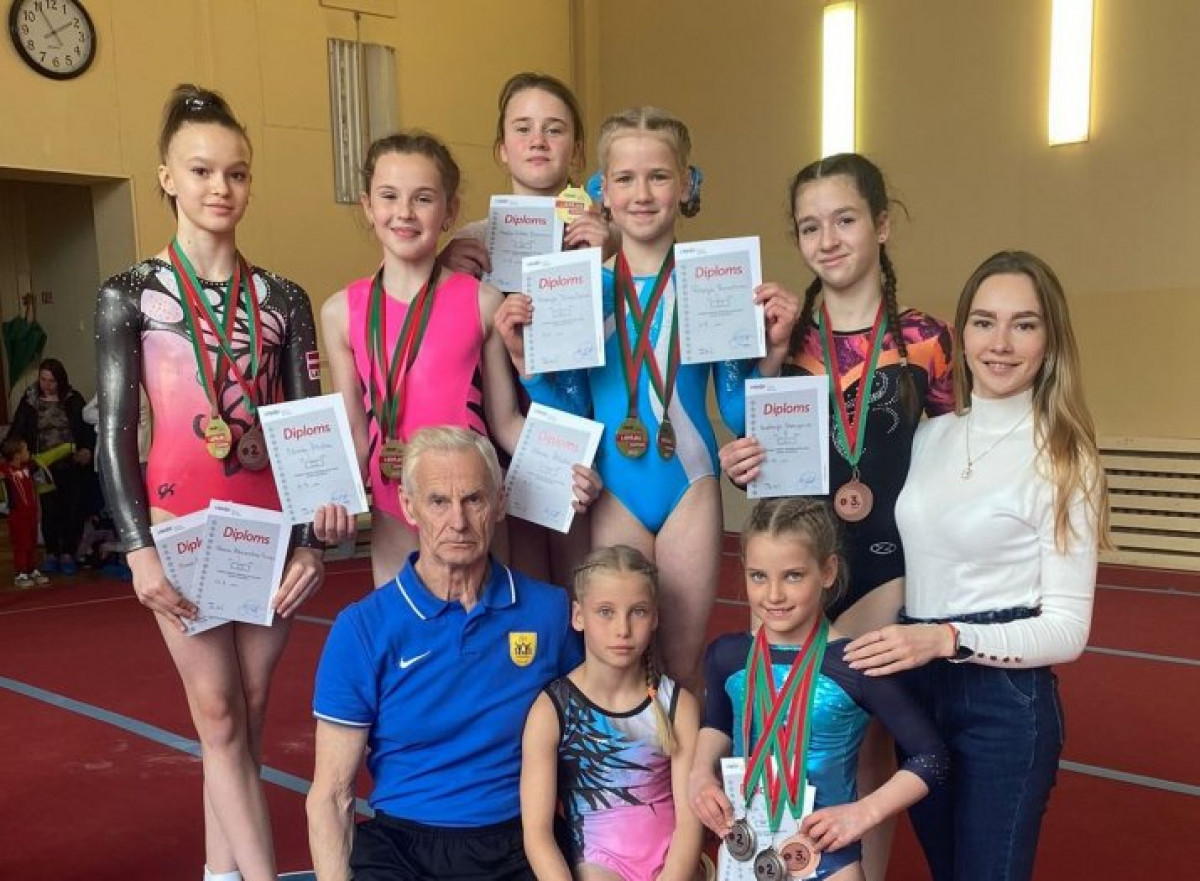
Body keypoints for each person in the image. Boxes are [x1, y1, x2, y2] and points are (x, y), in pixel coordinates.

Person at [95, 84, 327, 881]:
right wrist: (137, 549)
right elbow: (116, 434)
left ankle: (218, 871)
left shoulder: (283, 299)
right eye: (201, 171)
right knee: (219, 711)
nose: (220, 187)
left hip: (268, 526)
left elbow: (302, 430)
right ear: (167, 177)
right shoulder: (129, 295)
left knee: (247, 714)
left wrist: (309, 542)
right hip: (180, 526)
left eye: (236, 172)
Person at [495, 106, 797, 690]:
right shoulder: (580, 288)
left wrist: (772, 354)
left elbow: (735, 410)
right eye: (625, 179)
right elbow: (576, 414)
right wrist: (527, 367)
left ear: (685, 184)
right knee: (620, 669)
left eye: (659, 177)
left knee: (682, 665)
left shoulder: (713, 283)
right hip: (615, 492)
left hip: (690, 490)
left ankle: (683, 756)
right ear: (601, 192)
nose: (641, 194)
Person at [717, 153, 953, 879]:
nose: (828, 240)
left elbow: (954, 452)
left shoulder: (926, 339)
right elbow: (752, 436)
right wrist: (740, 455)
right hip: (796, 568)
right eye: (810, 226)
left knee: (870, 746)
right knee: (779, 726)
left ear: (881, 225)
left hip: (885, 567)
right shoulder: (786, 339)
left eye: (844, 220)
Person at [843, 251, 1110, 881]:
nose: (1000, 343)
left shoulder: (1065, 457)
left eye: (1024, 324)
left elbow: (1068, 631)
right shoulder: (929, 436)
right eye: (984, 322)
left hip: (1003, 704)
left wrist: (947, 639)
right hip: (918, 692)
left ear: (1050, 339)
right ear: (960, 333)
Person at [321, 130, 596, 588]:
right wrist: (330, 497)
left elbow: (505, 422)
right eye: (389, 196)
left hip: (474, 509)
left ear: (449, 211)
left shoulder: (482, 302)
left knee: (485, 630)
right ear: (368, 206)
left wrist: (567, 467)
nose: (404, 212)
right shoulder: (340, 314)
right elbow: (354, 432)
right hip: (395, 508)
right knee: (408, 630)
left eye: (423, 198)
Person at [307, 426, 583, 881]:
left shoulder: (549, 613)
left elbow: (593, 753)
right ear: (409, 506)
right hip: (403, 849)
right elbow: (331, 795)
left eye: (473, 499)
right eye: (438, 501)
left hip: (521, 842)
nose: (458, 521)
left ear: (499, 503)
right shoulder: (362, 629)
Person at [689, 498, 948, 881]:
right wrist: (699, 773)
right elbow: (719, 724)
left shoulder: (857, 664)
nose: (773, 595)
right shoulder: (727, 656)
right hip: (748, 852)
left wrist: (865, 812)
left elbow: (932, 756)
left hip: (828, 862)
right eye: (758, 576)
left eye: (793, 576)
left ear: (827, 571)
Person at [439, 71, 616, 585]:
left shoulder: (609, 239)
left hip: (589, 438)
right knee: (522, 585)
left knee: (584, 581)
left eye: (554, 129)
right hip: (501, 434)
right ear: (501, 148)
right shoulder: (471, 243)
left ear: (576, 149)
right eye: (523, 128)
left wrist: (610, 259)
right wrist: (443, 273)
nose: (538, 140)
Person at [521, 545, 705, 881]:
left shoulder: (678, 706)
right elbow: (537, 833)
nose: (623, 629)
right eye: (605, 612)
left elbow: (690, 824)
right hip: (598, 863)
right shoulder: (552, 710)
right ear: (579, 616)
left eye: (638, 612)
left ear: (655, 617)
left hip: (672, 862)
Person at [5, 357, 96, 575]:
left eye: (52, 380)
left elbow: (86, 429)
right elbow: (18, 430)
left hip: (71, 463)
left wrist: (86, 450)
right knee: (50, 510)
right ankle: (52, 551)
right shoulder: (30, 400)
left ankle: (68, 552)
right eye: (43, 379)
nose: (47, 385)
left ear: (60, 380)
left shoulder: (73, 399)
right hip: (42, 465)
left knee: (72, 509)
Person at [0, 438, 47, 587]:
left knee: (32, 543)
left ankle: (32, 569)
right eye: (25, 450)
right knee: (22, 544)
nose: (29, 452)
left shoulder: (28, 467)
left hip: (31, 513)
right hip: (17, 515)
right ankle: (20, 574)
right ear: (16, 455)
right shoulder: (5, 469)